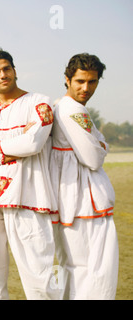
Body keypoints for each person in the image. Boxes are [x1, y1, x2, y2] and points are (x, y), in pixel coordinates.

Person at [0, 48, 60, 300]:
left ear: (15, 71)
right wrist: (12, 150)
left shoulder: (39, 102)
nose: (2, 74)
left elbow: (33, 145)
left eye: (6, 68)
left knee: (39, 276)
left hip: (27, 198)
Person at [49, 53, 118, 299]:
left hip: (70, 201)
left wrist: (100, 144)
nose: (86, 88)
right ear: (67, 79)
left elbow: (98, 144)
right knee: (95, 269)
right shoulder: (72, 110)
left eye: (92, 82)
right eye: (80, 81)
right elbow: (94, 157)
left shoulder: (62, 106)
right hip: (84, 202)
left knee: (75, 268)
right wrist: (101, 145)